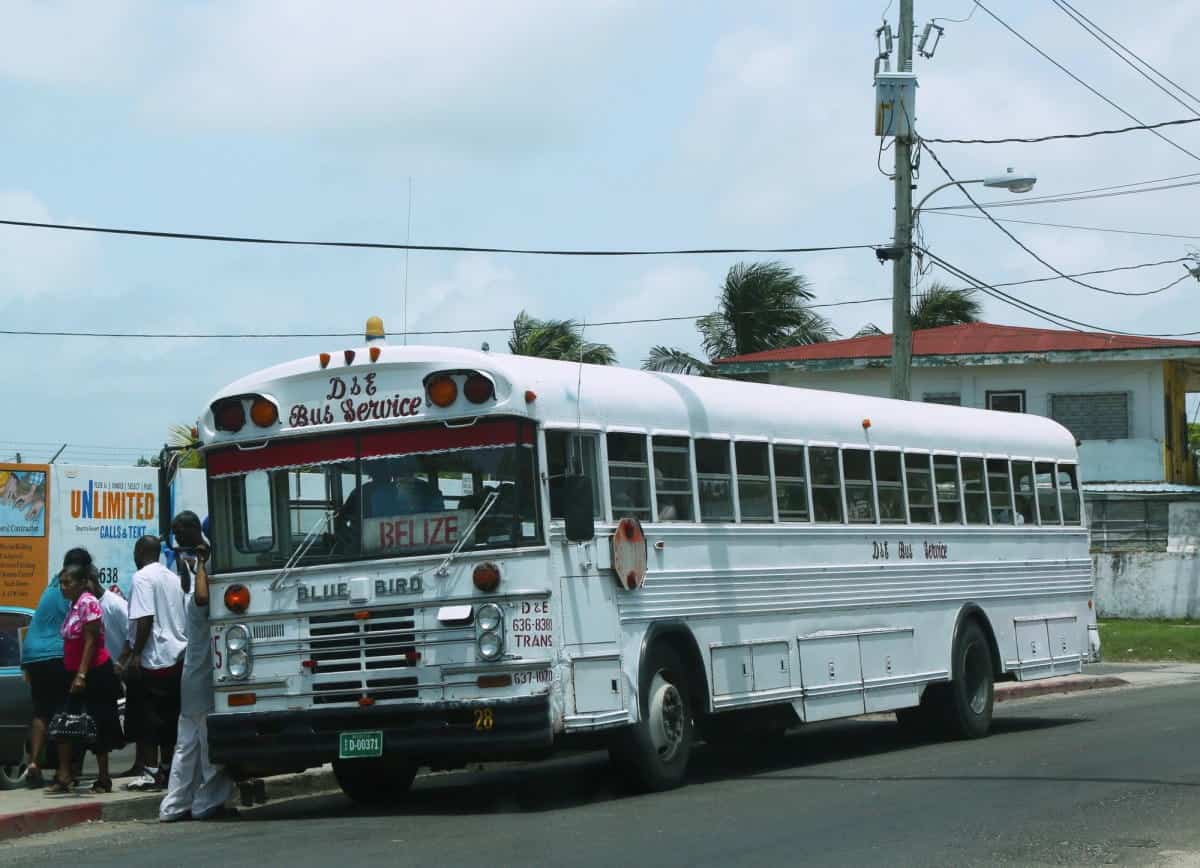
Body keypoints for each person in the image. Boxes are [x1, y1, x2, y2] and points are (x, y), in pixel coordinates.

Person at [159, 511, 235, 821]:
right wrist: (202, 563)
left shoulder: (197, 565)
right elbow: (203, 599)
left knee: (186, 745)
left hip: (193, 672)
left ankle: (174, 806)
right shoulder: (201, 569)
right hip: (202, 673)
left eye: (180, 531)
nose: (177, 537)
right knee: (206, 743)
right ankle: (207, 804)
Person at [46, 563, 124, 794]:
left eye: (67, 583)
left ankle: (103, 778)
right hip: (72, 671)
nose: (63, 587)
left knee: (98, 723)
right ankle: (64, 775)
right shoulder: (73, 605)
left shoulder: (88, 602)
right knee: (65, 722)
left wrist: (81, 675)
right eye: (61, 583)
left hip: (94, 673)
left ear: (81, 583)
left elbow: (91, 641)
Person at [121, 535, 187, 790]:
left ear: (140, 552)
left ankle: (149, 772)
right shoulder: (172, 578)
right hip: (176, 656)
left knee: (145, 720)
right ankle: (167, 769)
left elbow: (145, 618)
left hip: (153, 658)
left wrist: (136, 655)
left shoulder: (141, 578)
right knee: (169, 720)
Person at [19, 550, 76, 788]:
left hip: (32, 655)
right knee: (64, 713)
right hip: (54, 654)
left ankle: (34, 763)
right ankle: (63, 771)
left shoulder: (51, 587)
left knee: (41, 711)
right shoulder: (70, 593)